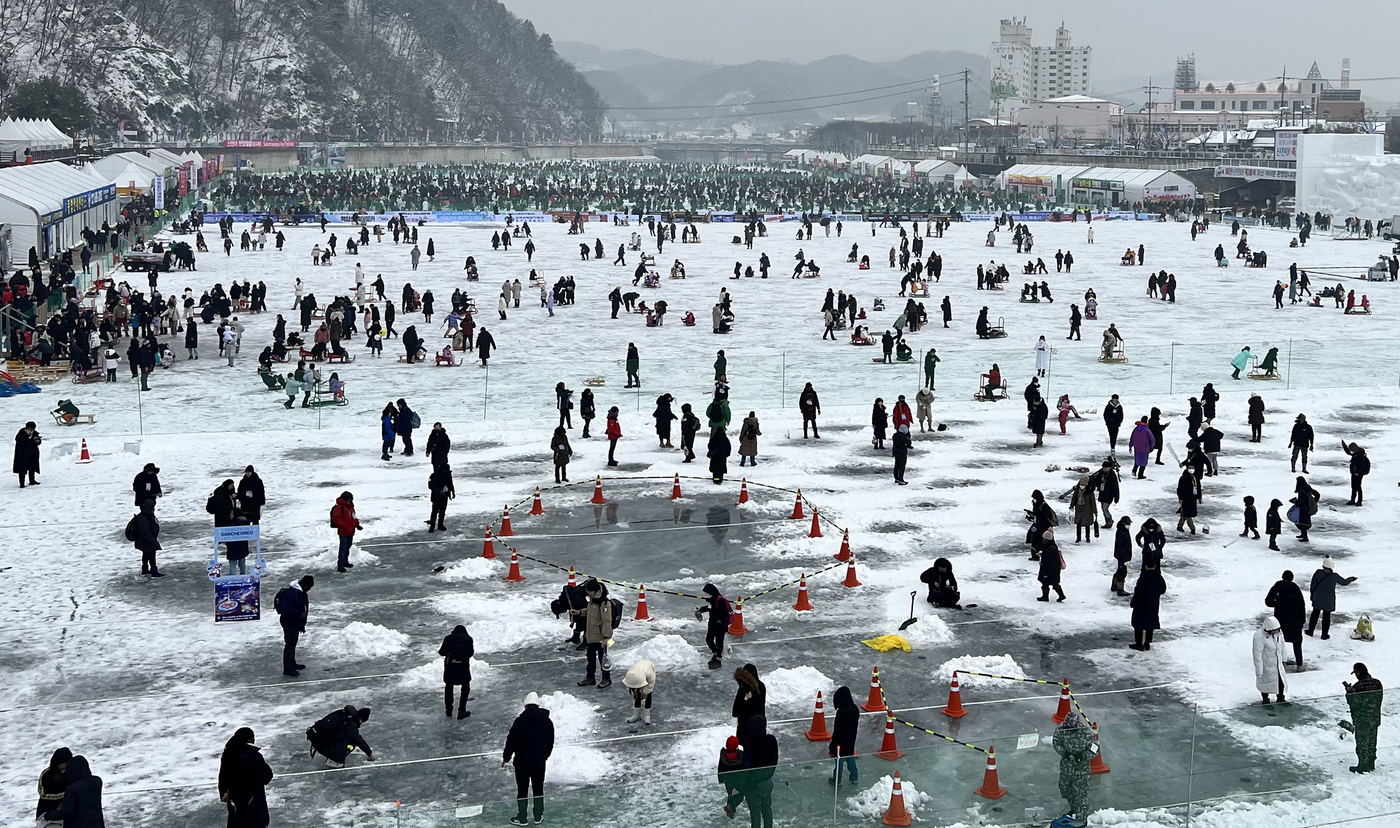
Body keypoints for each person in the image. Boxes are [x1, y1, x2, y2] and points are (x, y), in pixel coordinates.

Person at [503, 692, 555, 826]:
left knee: (522, 791)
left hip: (522, 763)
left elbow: (511, 741)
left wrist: (506, 758)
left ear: (526, 706)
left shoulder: (519, 722)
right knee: (538, 790)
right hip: (539, 763)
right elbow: (550, 742)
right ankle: (538, 815)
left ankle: (522, 817)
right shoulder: (547, 722)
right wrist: (544, 756)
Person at [218, 727, 273, 828]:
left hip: (235, 804)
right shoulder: (253, 756)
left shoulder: (228, 754)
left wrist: (223, 792)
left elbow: (223, 776)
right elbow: (266, 777)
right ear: (249, 739)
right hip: (253, 804)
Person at [1053, 711, 1095, 824]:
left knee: (1080, 795)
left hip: (1081, 769)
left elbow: (1095, 750)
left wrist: (1081, 756)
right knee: (1065, 789)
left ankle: (1081, 820)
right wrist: (1065, 753)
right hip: (1066, 767)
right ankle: (1074, 809)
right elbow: (1056, 743)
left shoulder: (1087, 733)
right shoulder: (1061, 730)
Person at [41, 755, 102, 827]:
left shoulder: (72, 789)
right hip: (97, 823)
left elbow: (66, 811)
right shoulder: (96, 782)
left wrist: (48, 815)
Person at [1344, 663, 1383, 774]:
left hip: (1362, 719)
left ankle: (1363, 765)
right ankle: (1371, 762)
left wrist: (1349, 692)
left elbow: (1354, 703)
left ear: (1358, 672)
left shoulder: (1358, 686)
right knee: (1372, 741)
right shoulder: (1377, 683)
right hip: (1375, 718)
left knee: (1362, 743)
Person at [307, 705, 374, 768]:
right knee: (351, 741)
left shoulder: (344, 714)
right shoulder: (351, 723)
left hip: (317, 738)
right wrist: (369, 753)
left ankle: (333, 756)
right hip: (321, 743)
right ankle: (335, 761)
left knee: (344, 736)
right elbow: (357, 739)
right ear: (360, 719)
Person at [1265, 571, 1307, 669]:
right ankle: (1299, 665)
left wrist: (1278, 603)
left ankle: (1279, 663)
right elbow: (1301, 605)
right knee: (1297, 643)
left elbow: (1268, 601)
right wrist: (1302, 621)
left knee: (1278, 642)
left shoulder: (1277, 587)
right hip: (1294, 621)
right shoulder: (1295, 588)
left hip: (1280, 620)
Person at [576, 579, 613, 687]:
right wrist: (579, 612)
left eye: (589, 591)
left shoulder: (604, 603)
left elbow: (607, 621)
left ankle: (606, 679)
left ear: (594, 590)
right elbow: (590, 612)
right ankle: (590, 678)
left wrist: (606, 638)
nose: (587, 593)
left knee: (603, 659)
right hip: (591, 636)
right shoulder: (593, 601)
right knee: (590, 658)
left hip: (601, 638)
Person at [1308, 557, 1356, 639]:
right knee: (1326, 617)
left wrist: (1312, 596)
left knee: (1315, 614)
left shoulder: (1318, 573)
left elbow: (1313, 585)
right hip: (1328, 600)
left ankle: (1310, 631)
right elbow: (1344, 582)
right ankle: (1324, 634)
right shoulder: (1334, 576)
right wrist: (1351, 579)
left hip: (1318, 597)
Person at [274, 575, 314, 676]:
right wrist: (299, 614)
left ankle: (292, 663)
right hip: (288, 621)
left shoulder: (301, 593)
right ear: (304, 585)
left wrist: (301, 624)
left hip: (295, 621)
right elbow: (286, 609)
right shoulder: (292, 594)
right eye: (309, 587)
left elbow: (303, 608)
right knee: (290, 644)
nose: (309, 589)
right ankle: (287, 668)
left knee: (293, 642)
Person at [439, 624, 475, 719]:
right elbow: (470, 653)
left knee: (449, 687)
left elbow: (442, 652)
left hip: (450, 666)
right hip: (463, 666)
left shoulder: (448, 638)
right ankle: (461, 711)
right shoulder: (468, 639)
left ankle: (449, 710)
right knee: (465, 687)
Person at [1129, 561, 1166, 651]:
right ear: (1155, 565)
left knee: (1138, 623)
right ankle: (1147, 643)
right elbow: (1163, 589)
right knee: (1150, 622)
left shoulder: (1143, 577)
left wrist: (1133, 602)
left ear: (1145, 566)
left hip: (1141, 603)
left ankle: (1139, 643)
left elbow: (1138, 591)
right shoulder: (1158, 577)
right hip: (1153, 604)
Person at [827, 685, 860, 786]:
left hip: (840, 741)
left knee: (839, 760)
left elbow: (838, 729)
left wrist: (834, 742)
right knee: (850, 757)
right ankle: (854, 777)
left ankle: (837, 779)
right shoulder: (855, 709)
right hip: (851, 739)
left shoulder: (841, 712)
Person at [1253, 617, 1288, 705]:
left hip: (1277, 664)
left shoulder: (1278, 634)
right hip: (1266, 665)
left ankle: (1280, 698)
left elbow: (1282, 646)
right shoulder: (1259, 636)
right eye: (1274, 630)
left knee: (1280, 681)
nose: (1276, 632)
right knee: (1265, 682)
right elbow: (1257, 654)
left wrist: (1284, 659)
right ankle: (1265, 698)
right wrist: (1259, 670)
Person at [697, 583, 732, 669]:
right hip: (712, 624)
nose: (705, 596)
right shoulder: (712, 600)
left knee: (719, 643)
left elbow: (724, 614)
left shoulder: (720, 600)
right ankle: (715, 653)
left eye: (707, 594)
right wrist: (701, 609)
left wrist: (720, 621)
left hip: (720, 626)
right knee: (709, 639)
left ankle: (718, 659)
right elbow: (710, 607)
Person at [731, 663, 767, 746]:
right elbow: (735, 712)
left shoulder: (759, 688)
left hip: (755, 728)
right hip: (745, 729)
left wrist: (750, 700)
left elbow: (759, 707)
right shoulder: (743, 688)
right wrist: (744, 700)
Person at [35, 747, 72, 822]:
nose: (63, 766)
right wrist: (67, 794)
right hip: (49, 810)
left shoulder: (72, 772)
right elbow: (43, 794)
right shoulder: (47, 774)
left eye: (65, 763)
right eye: (61, 763)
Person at [130, 498, 163, 577]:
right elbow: (145, 530)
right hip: (146, 540)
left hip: (144, 540)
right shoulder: (144, 518)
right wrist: (151, 540)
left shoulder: (145, 516)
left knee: (146, 554)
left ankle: (145, 569)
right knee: (151, 555)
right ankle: (154, 571)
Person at [330, 491, 361, 572]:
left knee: (348, 547)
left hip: (350, 531)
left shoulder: (350, 507)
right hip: (343, 532)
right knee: (343, 548)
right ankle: (340, 565)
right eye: (350, 498)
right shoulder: (339, 507)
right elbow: (336, 518)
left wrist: (357, 525)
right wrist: (343, 526)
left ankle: (345, 562)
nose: (351, 500)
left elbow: (354, 517)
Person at [623, 658, 656, 725]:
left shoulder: (649, 673)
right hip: (638, 673)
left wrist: (645, 693)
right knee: (637, 695)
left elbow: (651, 683)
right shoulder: (630, 675)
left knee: (648, 694)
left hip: (648, 669)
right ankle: (637, 715)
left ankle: (647, 715)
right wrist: (635, 693)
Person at [1037, 528, 1066, 602]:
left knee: (1045, 583)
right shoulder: (1052, 547)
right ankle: (1061, 595)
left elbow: (1049, 563)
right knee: (1054, 583)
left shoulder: (1049, 549)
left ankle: (1045, 596)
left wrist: (1046, 573)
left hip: (1049, 570)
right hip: (1055, 570)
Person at [13, 420, 41, 488]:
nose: (31, 431)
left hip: (32, 453)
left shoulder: (35, 433)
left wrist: (37, 441)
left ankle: (32, 480)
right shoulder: (21, 433)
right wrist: (28, 437)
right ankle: (22, 483)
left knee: (32, 467)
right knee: (22, 469)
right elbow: (19, 440)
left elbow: (38, 442)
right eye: (30, 429)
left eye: (32, 429)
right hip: (22, 454)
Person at [427, 464, 454, 533]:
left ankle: (440, 525)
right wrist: (439, 491)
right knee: (435, 511)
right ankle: (432, 526)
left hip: (445, 495)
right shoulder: (434, 475)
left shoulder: (448, 474)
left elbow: (450, 483)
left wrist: (452, 492)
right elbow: (431, 486)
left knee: (442, 511)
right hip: (436, 496)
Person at [1070, 476, 1098, 542]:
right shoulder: (1077, 490)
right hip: (1079, 509)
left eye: (1083, 485)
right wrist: (1072, 505)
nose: (1081, 486)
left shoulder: (1089, 492)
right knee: (1078, 524)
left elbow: (1092, 502)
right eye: (1081, 484)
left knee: (1087, 524)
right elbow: (1074, 498)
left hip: (1087, 510)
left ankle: (1087, 537)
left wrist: (1095, 511)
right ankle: (1078, 537)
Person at [1111, 516, 1133, 596]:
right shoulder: (1121, 532)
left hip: (1122, 555)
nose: (1129, 525)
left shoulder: (1123, 530)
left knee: (1119, 570)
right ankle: (1120, 589)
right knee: (1122, 572)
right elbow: (1121, 547)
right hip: (1122, 556)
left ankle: (1114, 585)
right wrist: (1125, 559)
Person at [1343, 441, 1370, 505]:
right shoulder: (1356, 453)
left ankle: (1359, 501)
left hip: (1359, 474)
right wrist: (1344, 445)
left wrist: (1358, 472)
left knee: (1358, 487)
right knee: (1353, 486)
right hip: (1354, 472)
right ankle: (1352, 500)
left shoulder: (1360, 455)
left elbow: (1362, 465)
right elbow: (1348, 452)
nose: (1351, 451)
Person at [1175, 467, 1199, 534]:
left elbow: (1198, 487)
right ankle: (1192, 528)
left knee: (1184, 514)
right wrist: (1181, 498)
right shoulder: (1183, 478)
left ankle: (1180, 526)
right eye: (1190, 468)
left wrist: (1199, 496)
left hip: (1193, 498)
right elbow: (1180, 489)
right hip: (1186, 498)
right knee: (1187, 514)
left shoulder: (1195, 477)